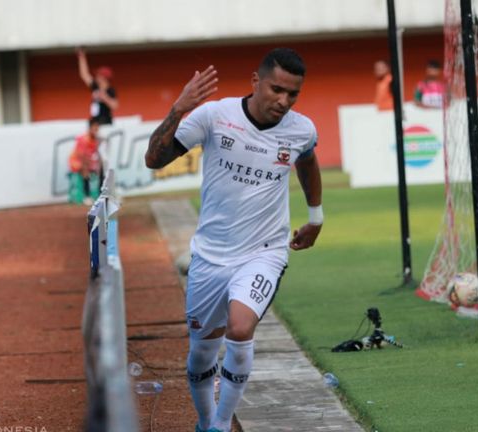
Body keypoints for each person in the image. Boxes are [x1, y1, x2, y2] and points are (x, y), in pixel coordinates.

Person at [144, 48, 323, 432]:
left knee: (241, 328)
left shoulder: (301, 129)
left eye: (293, 94)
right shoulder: (214, 116)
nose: (284, 101)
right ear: (255, 81)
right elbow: (154, 160)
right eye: (277, 89)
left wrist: (315, 216)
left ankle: (222, 425)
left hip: (264, 252)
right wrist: (179, 108)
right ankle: (206, 420)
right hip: (210, 257)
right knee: (201, 353)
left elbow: (306, 159)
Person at [76, 47, 119, 125]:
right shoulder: (95, 87)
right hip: (95, 122)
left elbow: (115, 106)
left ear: (104, 78)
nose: (96, 77)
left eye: (99, 75)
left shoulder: (110, 90)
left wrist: (105, 98)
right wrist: (81, 57)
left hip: (105, 122)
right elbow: (84, 75)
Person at [68, 118, 102, 205]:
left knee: (101, 168)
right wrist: (88, 165)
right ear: (90, 128)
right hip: (76, 162)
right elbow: (80, 155)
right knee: (85, 169)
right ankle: (87, 196)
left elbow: (95, 154)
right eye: (95, 128)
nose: (96, 130)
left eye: (97, 128)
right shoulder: (83, 139)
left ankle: (101, 194)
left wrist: (97, 165)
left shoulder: (96, 140)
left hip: (88, 162)